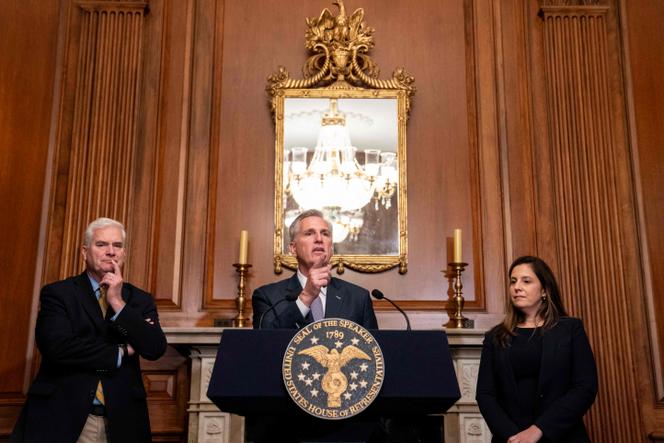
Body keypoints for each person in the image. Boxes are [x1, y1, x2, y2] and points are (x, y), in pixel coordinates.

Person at [11, 218, 167, 443]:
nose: (111, 252)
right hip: (63, 417)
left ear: (123, 254)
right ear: (85, 252)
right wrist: (121, 352)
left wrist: (117, 303)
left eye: (118, 246)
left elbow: (154, 347)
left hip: (122, 421)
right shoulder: (58, 294)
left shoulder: (140, 300)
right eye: (101, 244)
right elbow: (57, 347)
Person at [476, 256, 598, 443]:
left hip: (563, 437)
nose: (517, 287)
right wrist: (512, 436)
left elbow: (585, 387)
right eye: (513, 281)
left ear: (544, 290)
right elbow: (485, 395)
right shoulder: (494, 337)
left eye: (526, 281)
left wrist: (538, 430)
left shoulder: (570, 329)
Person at [252, 209, 378, 330]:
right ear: (293, 249)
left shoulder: (359, 298)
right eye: (309, 233)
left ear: (331, 248)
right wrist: (306, 297)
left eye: (325, 233)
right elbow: (265, 346)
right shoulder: (267, 297)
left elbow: (372, 349)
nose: (319, 239)